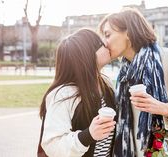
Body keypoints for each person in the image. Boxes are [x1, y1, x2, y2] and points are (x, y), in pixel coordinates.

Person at [98, 8, 168, 157]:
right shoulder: (123, 76)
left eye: (108, 35)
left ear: (128, 32)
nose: (104, 43)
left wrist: (165, 110)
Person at [38, 28, 117, 157]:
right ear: (89, 54)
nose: (106, 44)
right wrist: (88, 135)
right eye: (101, 44)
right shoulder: (65, 94)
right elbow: (52, 144)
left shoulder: (106, 84)